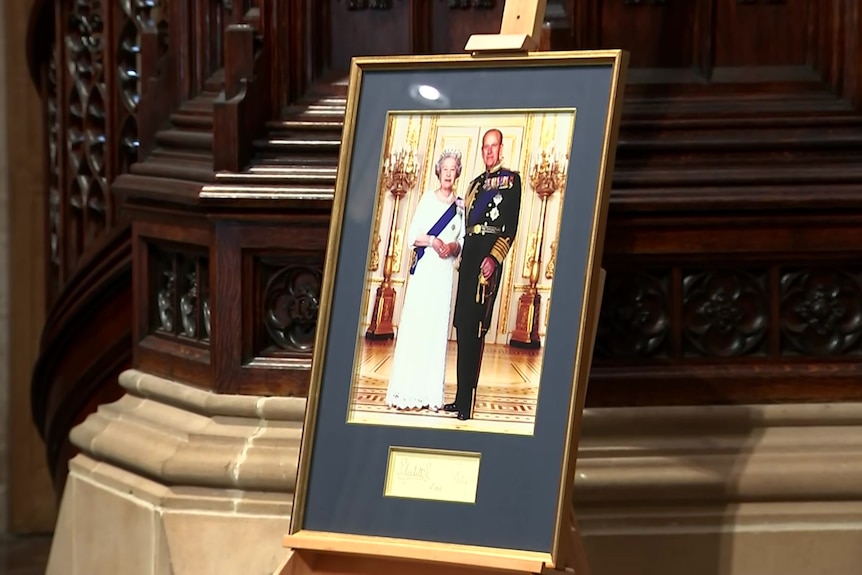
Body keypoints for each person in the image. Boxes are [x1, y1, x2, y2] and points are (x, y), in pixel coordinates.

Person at [445, 129, 522, 420]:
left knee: (476, 328)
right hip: (469, 256)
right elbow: (465, 225)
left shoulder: (511, 181)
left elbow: (510, 228)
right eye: (485, 147)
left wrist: (494, 257)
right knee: (463, 326)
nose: (489, 152)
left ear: (501, 148)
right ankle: (459, 395)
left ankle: (469, 401)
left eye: (494, 146)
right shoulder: (475, 184)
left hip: (487, 258)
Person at [385, 149, 466, 411]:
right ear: (438, 171)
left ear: (457, 173)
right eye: (445, 169)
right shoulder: (427, 200)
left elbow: (462, 240)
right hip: (425, 272)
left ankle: (431, 394)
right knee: (417, 326)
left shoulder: (460, 207)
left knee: (436, 328)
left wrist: (453, 247)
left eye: (453, 169)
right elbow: (412, 235)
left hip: (443, 276)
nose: (448, 173)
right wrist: (433, 241)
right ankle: (407, 391)